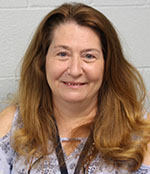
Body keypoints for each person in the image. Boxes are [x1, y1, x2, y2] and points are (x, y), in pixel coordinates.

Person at [0, 2, 150, 174]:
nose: (75, 70)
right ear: (42, 61)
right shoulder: (12, 126)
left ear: (108, 65)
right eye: (62, 54)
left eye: (89, 56)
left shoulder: (142, 134)